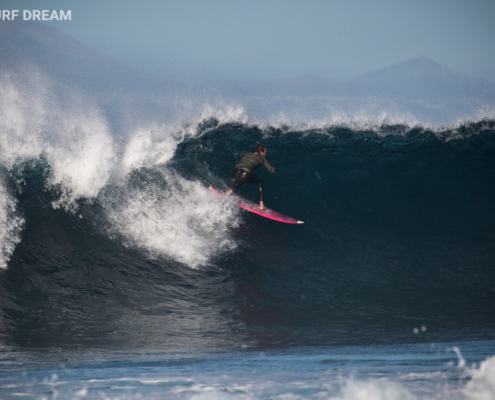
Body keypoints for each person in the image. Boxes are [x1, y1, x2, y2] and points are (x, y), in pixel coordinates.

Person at [226, 144, 275, 210]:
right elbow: (271, 170)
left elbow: (242, 153)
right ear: (261, 152)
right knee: (260, 180)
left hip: (235, 172)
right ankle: (261, 204)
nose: (265, 154)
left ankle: (230, 191)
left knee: (242, 178)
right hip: (245, 175)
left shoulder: (247, 153)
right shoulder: (262, 159)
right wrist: (273, 167)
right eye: (265, 152)